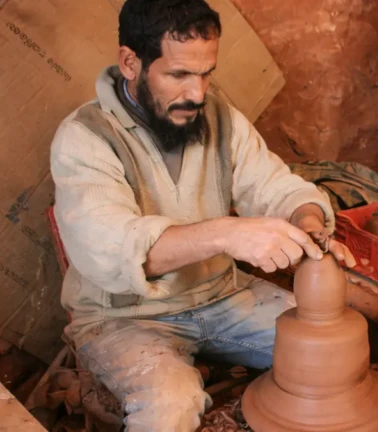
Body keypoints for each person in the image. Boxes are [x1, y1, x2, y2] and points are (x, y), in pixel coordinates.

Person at [50, 0, 356, 429]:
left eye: (206, 73)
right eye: (179, 75)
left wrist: (307, 223)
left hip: (221, 296)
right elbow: (112, 250)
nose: (197, 93)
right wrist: (226, 233)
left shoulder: (219, 118)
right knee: (171, 406)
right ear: (131, 63)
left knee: (330, 349)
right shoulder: (85, 138)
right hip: (124, 317)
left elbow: (274, 187)